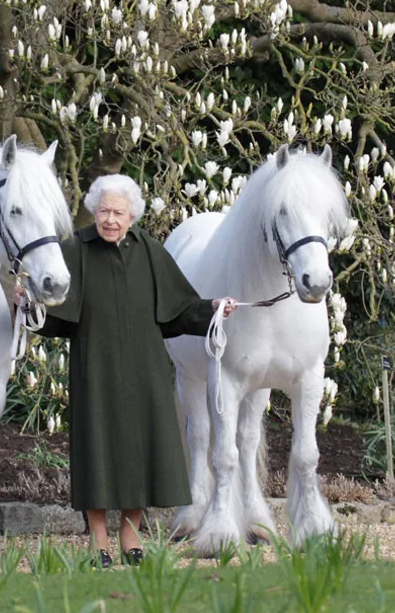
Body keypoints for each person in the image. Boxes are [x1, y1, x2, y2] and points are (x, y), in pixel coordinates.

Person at [16, 174, 237, 568]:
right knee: (97, 451)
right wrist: (27, 304)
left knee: (141, 451)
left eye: (118, 212)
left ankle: (130, 533)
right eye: (103, 211)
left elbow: (178, 311)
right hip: (94, 370)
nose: (110, 219)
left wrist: (214, 308)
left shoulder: (150, 251)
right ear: (93, 212)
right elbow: (55, 318)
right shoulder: (75, 251)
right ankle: (98, 538)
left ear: (132, 215)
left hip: (145, 370)